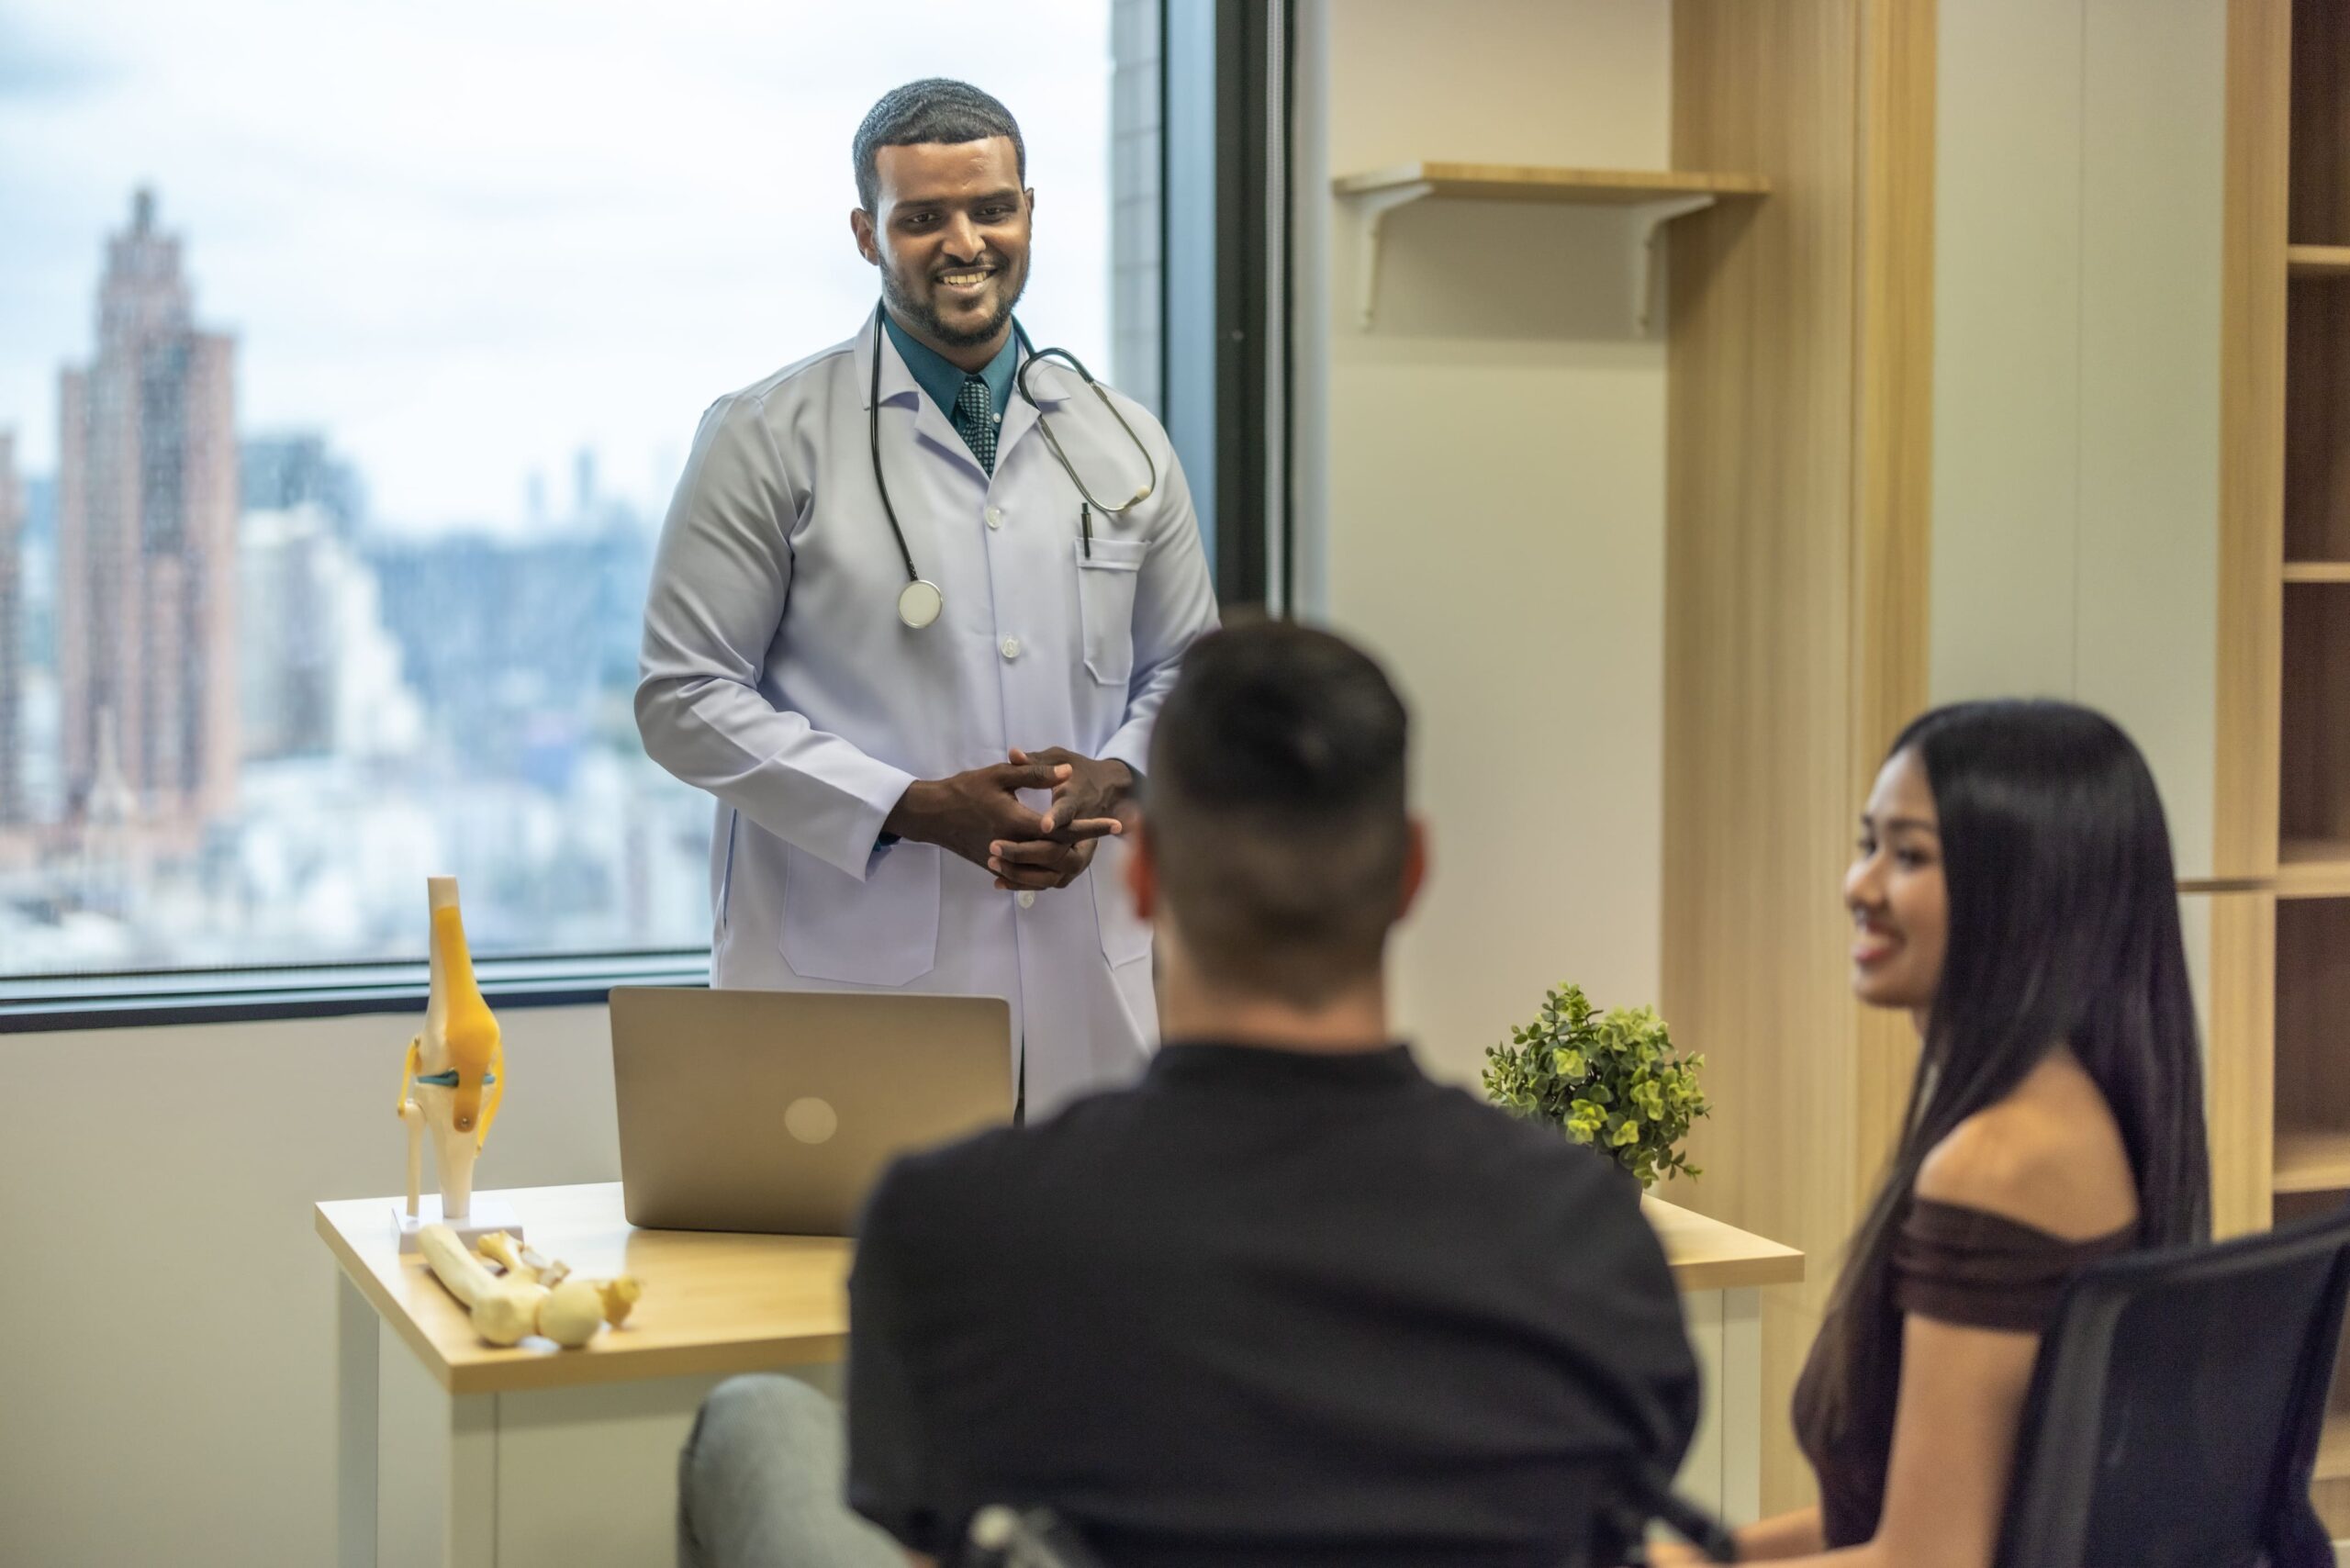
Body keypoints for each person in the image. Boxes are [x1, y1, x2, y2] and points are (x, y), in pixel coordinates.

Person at [677, 621, 1701, 1568]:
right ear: (1412, 872)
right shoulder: (1588, 1237)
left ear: (1143, 874)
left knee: (753, 1419)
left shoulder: (950, 1228)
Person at [636, 79, 1216, 1119]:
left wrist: (1120, 773)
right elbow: (682, 699)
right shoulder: (767, 437)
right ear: (868, 234)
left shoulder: (1123, 441)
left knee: (1081, 1218)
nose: (965, 243)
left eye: (992, 209)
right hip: (851, 978)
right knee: (862, 1222)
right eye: (922, 218)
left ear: (1029, 212)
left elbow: (1188, 671)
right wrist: (905, 807)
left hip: (1086, 975)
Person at [1651, 700, 2212, 1566]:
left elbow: (1931, 1558)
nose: (1859, 886)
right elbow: (1895, 1519)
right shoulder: (2075, 1109)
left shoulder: (1999, 1162)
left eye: (1908, 855)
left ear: (2025, 892)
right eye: (1867, 844)